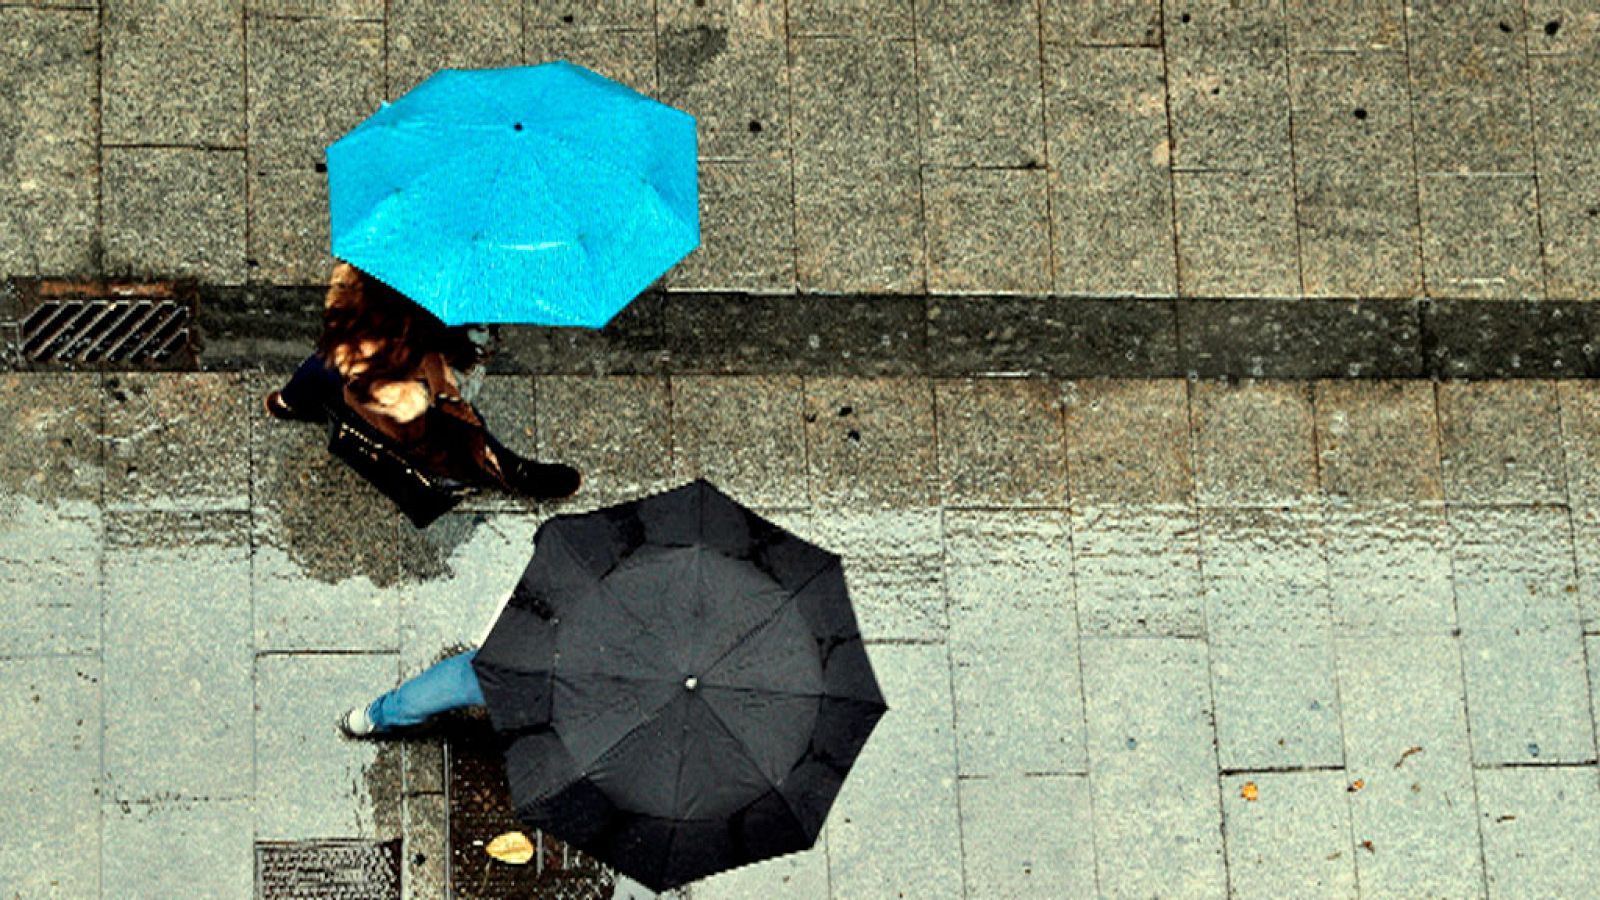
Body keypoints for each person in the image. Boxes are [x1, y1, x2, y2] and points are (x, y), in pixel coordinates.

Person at [264, 261, 580, 500]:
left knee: (326, 370)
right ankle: (506, 472)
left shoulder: (371, 293)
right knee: (457, 437)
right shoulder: (446, 340)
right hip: (410, 405)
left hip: (372, 369)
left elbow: (322, 363)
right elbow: (462, 390)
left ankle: (296, 404)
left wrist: (285, 403)